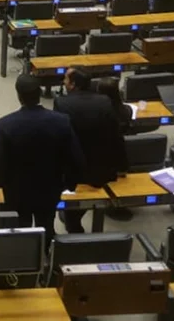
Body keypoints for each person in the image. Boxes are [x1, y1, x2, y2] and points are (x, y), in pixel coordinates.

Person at [0, 74, 84, 238]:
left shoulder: (5, 125)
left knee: (21, 233)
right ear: (40, 93)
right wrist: (67, 184)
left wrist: (2, 184)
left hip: (17, 191)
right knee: (47, 227)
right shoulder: (61, 121)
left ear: (19, 96)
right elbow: (76, 158)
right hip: (50, 189)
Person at [54, 68, 126, 233]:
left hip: (73, 171)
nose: (63, 82)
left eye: (66, 79)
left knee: (72, 215)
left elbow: (59, 138)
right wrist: (122, 165)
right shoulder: (105, 101)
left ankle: (75, 231)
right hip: (100, 168)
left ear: (73, 84)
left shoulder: (61, 103)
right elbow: (116, 135)